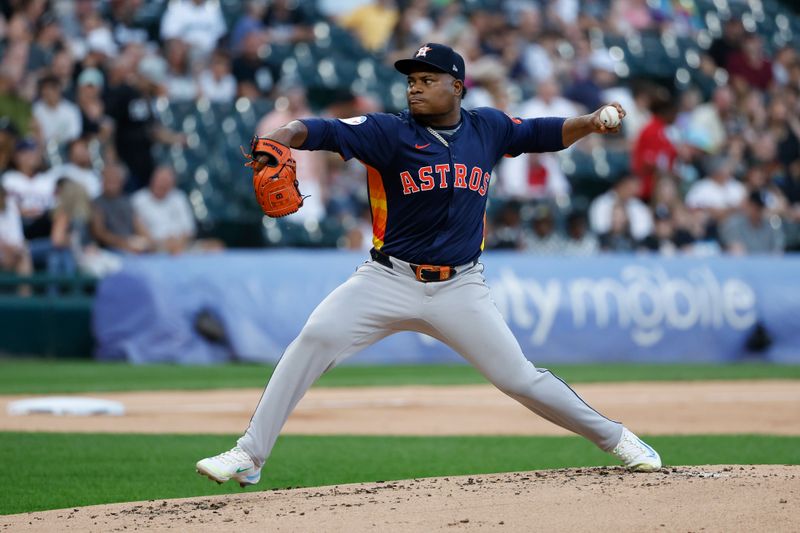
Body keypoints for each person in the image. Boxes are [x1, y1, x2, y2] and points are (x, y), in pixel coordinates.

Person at [196, 43, 661, 487]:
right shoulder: (388, 132)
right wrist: (275, 141)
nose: (414, 88)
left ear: (457, 86)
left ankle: (619, 438)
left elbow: (542, 132)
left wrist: (590, 122)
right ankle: (249, 456)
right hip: (386, 278)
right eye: (411, 80)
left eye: (426, 79)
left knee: (519, 378)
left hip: (460, 288)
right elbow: (316, 129)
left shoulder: (488, 128)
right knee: (314, 339)